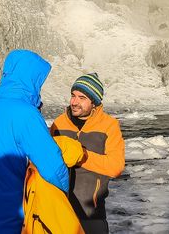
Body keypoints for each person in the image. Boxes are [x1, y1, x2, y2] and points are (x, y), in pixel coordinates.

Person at [0, 49, 71, 233]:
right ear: (31, 80)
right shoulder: (26, 115)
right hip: (15, 220)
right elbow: (52, 166)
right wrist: (66, 195)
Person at [35, 73, 125, 234]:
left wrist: (80, 156)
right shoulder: (59, 123)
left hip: (92, 213)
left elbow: (116, 167)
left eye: (82, 97)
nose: (74, 102)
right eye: (73, 95)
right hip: (59, 210)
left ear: (94, 102)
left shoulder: (109, 126)